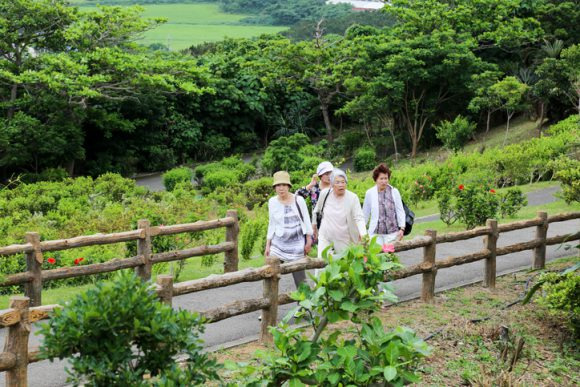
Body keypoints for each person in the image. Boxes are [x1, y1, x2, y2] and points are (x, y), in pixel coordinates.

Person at [265, 171, 313, 288]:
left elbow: (306, 221)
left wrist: (308, 241)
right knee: (270, 273)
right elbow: (272, 224)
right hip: (278, 243)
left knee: (300, 279)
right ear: (275, 187)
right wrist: (268, 245)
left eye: (284, 185)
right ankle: (271, 303)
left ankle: (304, 304)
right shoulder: (272, 202)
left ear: (288, 186)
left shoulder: (299, 200)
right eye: (278, 185)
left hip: (296, 243)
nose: (281, 188)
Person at [313, 168, 367, 259]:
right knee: (322, 263)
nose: (341, 185)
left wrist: (363, 234)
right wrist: (314, 226)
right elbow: (317, 210)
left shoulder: (352, 198)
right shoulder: (324, 194)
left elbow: (359, 217)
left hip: (344, 237)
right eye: (337, 182)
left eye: (343, 182)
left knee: (344, 263)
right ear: (332, 184)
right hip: (325, 235)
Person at [362, 163, 406, 245]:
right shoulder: (370, 193)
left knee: (390, 256)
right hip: (375, 234)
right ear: (376, 179)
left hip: (392, 233)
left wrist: (402, 228)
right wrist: (362, 232)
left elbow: (400, 210)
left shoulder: (394, 191)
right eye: (381, 179)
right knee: (377, 256)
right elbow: (365, 214)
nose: (384, 181)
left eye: (386, 178)